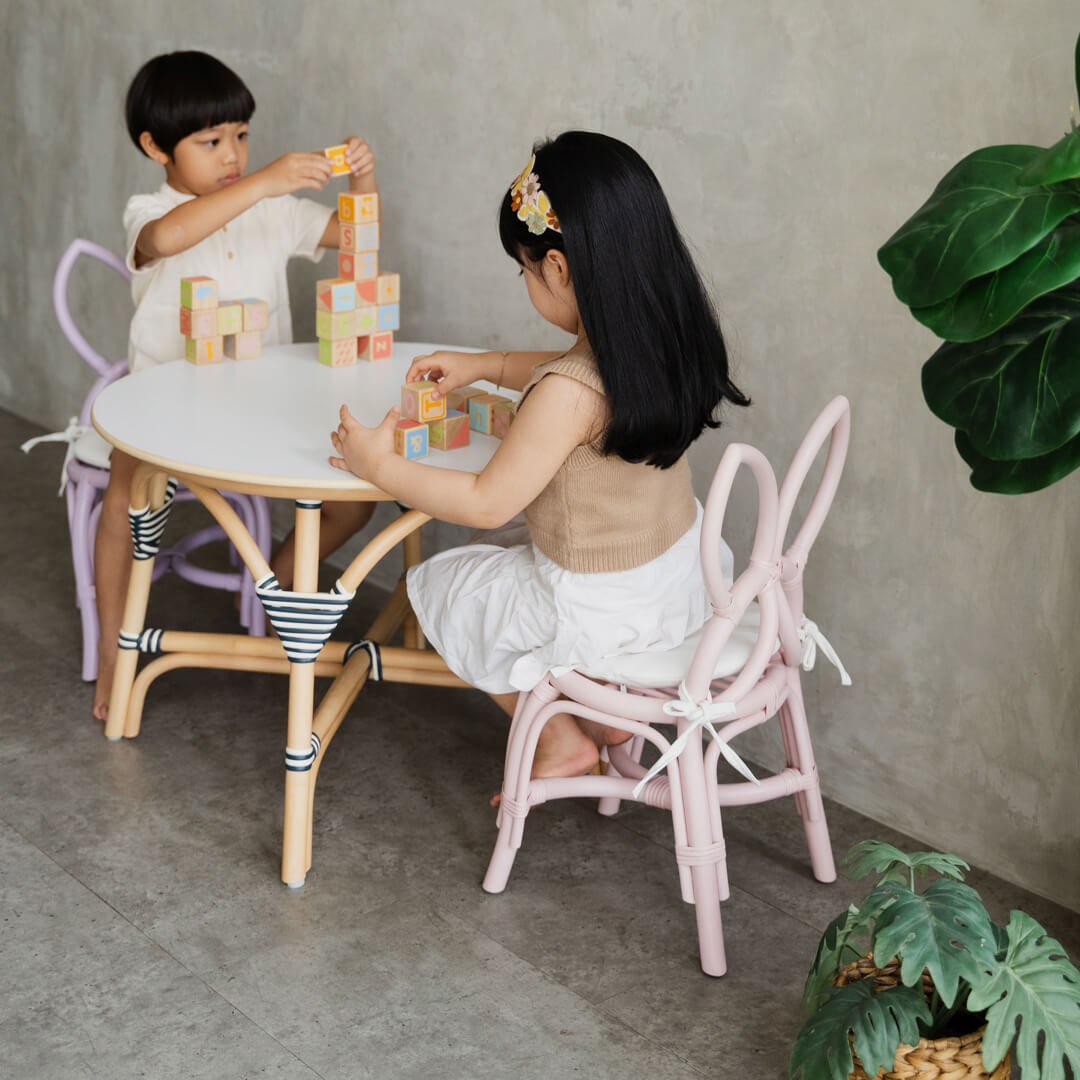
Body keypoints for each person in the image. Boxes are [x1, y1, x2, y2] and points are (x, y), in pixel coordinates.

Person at [328, 131, 750, 787]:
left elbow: (486, 498)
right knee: (503, 545)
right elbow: (581, 375)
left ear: (557, 268)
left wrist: (375, 465)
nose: (528, 281)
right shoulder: (670, 335)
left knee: (443, 587)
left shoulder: (564, 394)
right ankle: (609, 716)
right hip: (679, 577)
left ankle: (558, 736)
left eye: (524, 269)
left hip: (601, 604)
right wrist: (489, 365)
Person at [94, 50, 376, 720]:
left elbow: (358, 241)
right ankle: (114, 652)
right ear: (154, 146)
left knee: (355, 497)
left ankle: (271, 585)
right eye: (211, 141)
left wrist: (364, 179)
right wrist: (266, 181)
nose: (233, 155)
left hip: (259, 409)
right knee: (123, 498)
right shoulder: (149, 208)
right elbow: (166, 239)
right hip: (159, 410)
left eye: (242, 137)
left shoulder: (273, 210)